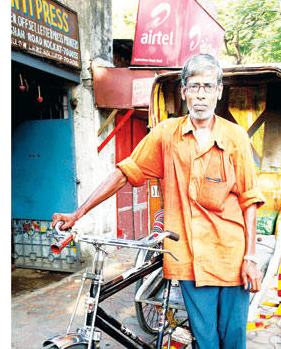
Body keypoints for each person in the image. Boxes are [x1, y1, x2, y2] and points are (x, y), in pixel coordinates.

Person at [53, 53, 265, 349]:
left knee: (233, 339)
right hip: (189, 257)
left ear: (218, 91)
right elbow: (125, 172)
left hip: (231, 255)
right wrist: (78, 213)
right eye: (194, 87)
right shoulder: (167, 133)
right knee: (205, 341)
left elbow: (249, 200)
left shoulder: (236, 137)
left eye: (207, 86)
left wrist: (251, 258)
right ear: (184, 92)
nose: (200, 94)